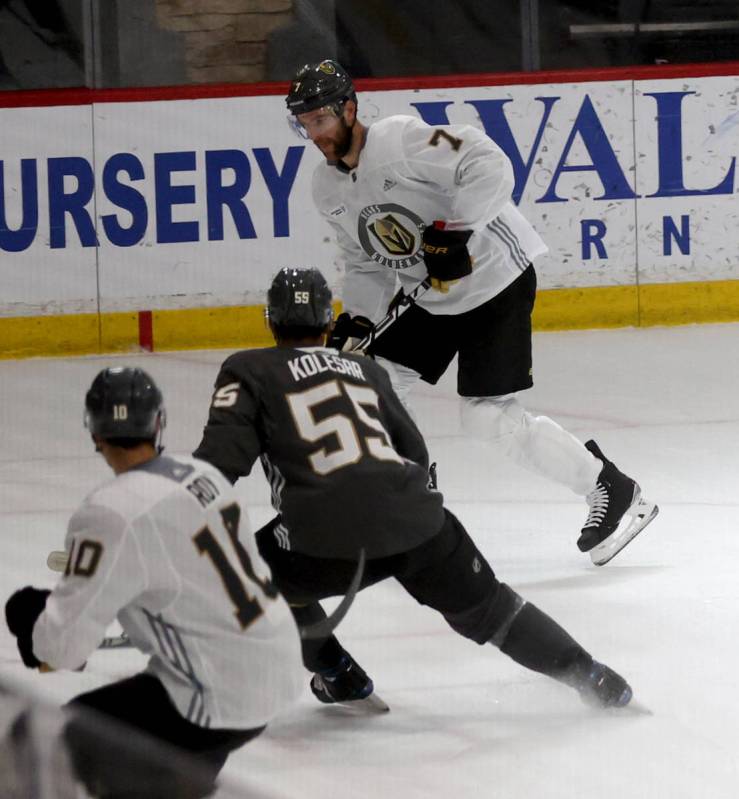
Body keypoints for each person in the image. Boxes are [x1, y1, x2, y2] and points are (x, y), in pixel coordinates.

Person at [193, 266, 635, 714]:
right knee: (495, 612)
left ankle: (338, 674)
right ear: (329, 321)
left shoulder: (246, 369)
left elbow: (217, 467)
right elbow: (415, 455)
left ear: (269, 319)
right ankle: (594, 676)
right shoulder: (365, 369)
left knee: (248, 576)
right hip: (418, 519)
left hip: (320, 536)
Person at [284, 59, 659, 566]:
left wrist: (456, 229)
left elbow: (489, 162)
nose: (314, 133)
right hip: (433, 295)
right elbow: (365, 261)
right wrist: (357, 320)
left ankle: (612, 490)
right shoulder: (325, 188)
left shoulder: (400, 140)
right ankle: (413, 502)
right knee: (373, 385)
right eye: (304, 123)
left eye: (321, 120)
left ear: (350, 108)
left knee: (487, 418)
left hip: (497, 278)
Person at [4, 367, 304, 798]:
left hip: (216, 692)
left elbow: (64, 648)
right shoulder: (205, 475)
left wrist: (28, 617)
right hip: (277, 665)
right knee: (169, 771)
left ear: (94, 431)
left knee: (60, 735)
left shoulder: (110, 512)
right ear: (157, 422)